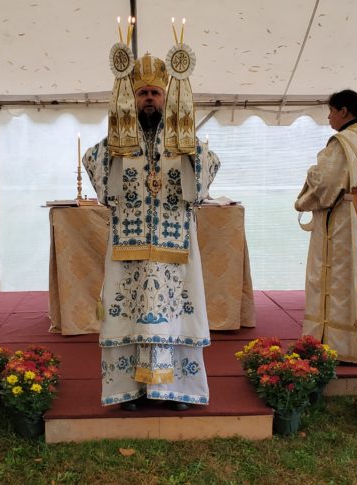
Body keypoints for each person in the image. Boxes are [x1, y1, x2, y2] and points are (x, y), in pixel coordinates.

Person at [83, 53, 220, 411]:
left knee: (176, 315)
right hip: (128, 244)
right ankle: (132, 389)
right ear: (132, 97)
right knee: (129, 311)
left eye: (155, 93)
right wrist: (113, 146)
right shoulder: (120, 139)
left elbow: (208, 169)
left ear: (165, 98)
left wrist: (192, 152)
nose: (148, 99)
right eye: (142, 92)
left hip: (175, 244)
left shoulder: (182, 135)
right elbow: (93, 164)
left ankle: (177, 389)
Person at [295, 89, 357, 364]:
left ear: (345, 111)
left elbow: (324, 183)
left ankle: (334, 341)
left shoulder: (341, 142)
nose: (330, 117)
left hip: (343, 223)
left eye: (332, 111)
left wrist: (309, 181)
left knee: (336, 278)